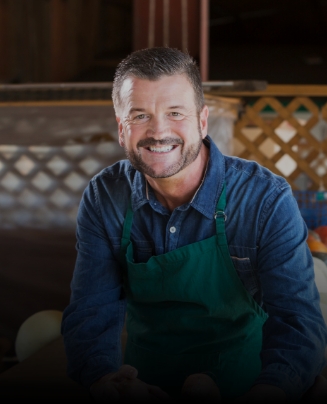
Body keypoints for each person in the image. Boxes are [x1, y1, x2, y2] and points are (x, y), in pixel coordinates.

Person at [61, 47, 327, 403]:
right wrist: (104, 379)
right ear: (122, 129)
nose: (159, 131)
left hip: (252, 381)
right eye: (140, 115)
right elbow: (91, 308)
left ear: (202, 122)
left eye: (175, 113)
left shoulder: (265, 198)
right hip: (144, 383)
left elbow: (298, 320)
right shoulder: (104, 196)